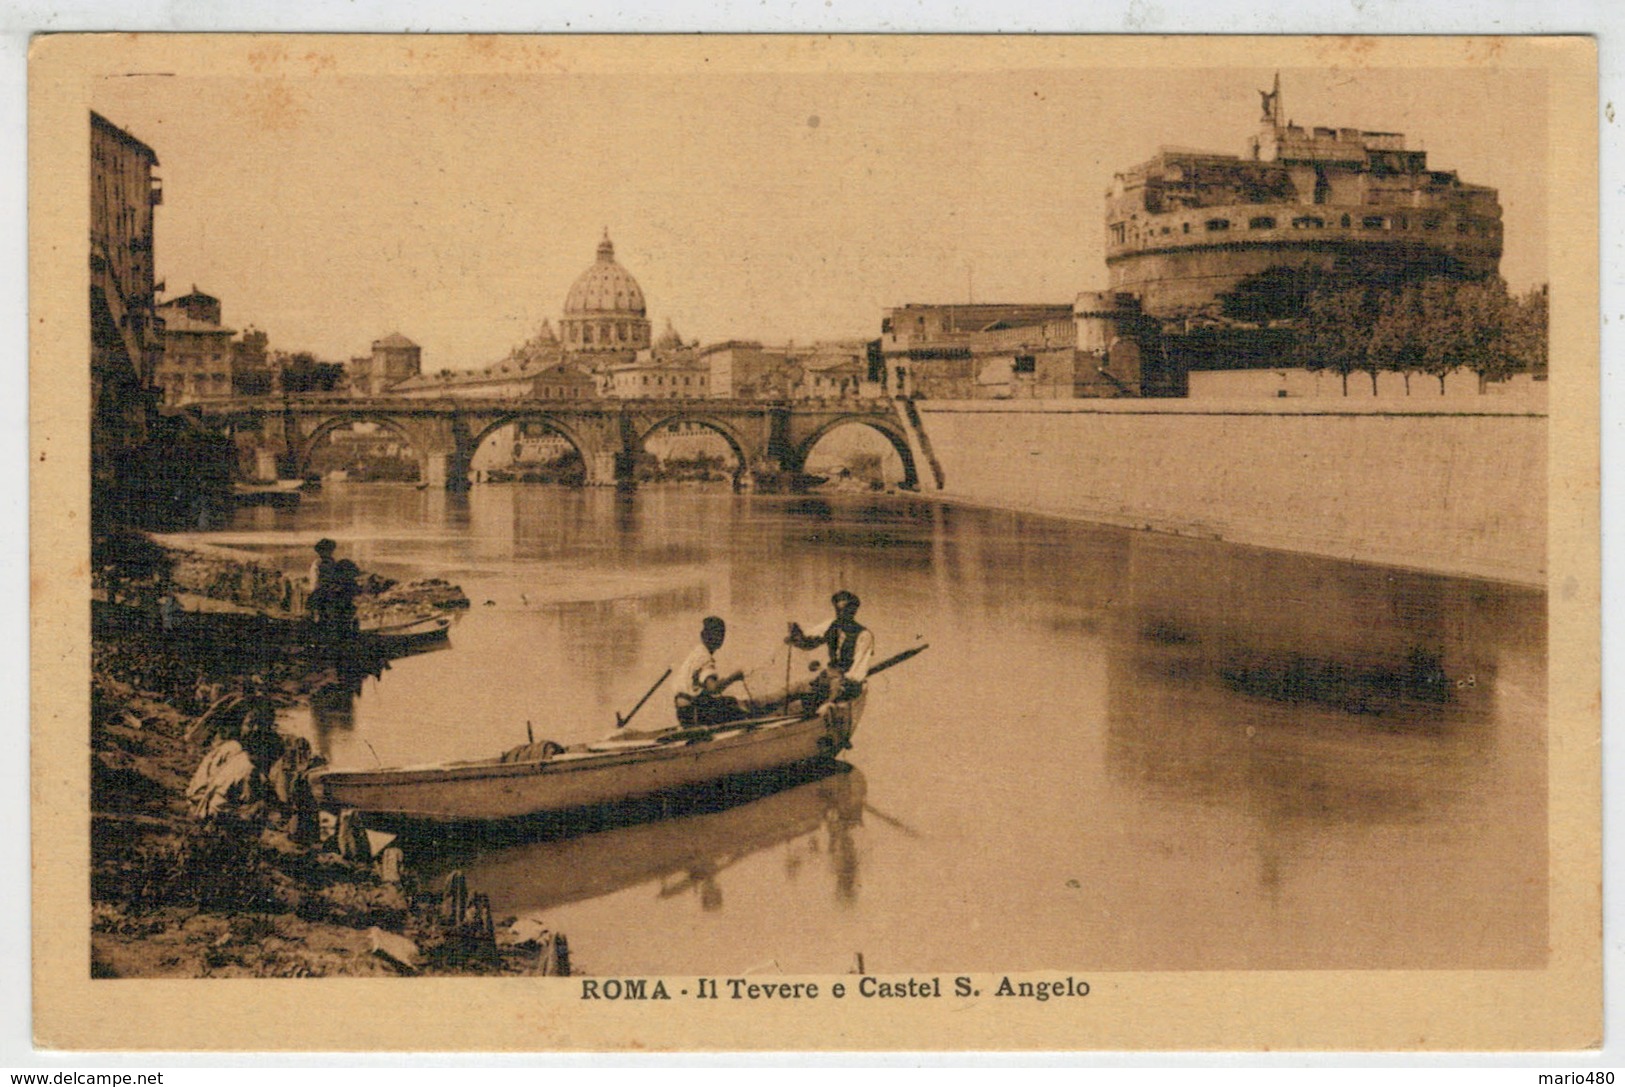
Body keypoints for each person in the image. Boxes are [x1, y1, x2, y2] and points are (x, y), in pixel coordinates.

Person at [786, 590, 875, 712]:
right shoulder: (832, 625)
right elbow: (809, 643)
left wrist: (833, 698)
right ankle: (752, 707)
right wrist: (797, 638)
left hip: (845, 683)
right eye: (838, 611)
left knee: (820, 707)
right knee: (793, 690)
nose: (840, 615)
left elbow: (857, 672)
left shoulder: (864, 635)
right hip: (828, 676)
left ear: (854, 611)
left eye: (845, 611)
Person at [672, 616, 747, 729]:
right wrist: (734, 677)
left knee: (728, 702)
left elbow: (702, 686)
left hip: (683, 713)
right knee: (736, 707)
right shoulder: (705, 658)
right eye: (717, 634)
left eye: (721, 634)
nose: (720, 638)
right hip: (694, 713)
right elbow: (713, 688)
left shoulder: (696, 653)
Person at [305, 538, 339, 625]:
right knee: (323, 612)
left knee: (324, 612)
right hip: (324, 591)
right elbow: (317, 579)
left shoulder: (323, 562)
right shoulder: (323, 562)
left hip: (324, 591)